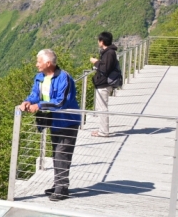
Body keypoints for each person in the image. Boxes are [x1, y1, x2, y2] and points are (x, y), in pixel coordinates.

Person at [18, 49, 81, 201]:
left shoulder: (64, 78)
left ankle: (62, 189)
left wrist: (38, 106)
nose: (36, 64)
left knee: (62, 153)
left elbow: (60, 101)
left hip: (67, 121)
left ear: (48, 63)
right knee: (56, 152)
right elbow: (35, 94)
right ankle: (58, 184)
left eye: (38, 62)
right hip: (54, 121)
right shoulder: (40, 77)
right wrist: (28, 101)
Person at [90, 32, 119, 137]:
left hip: (104, 84)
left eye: (99, 40)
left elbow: (105, 68)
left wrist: (95, 62)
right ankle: (102, 130)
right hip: (103, 83)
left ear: (102, 41)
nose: (98, 42)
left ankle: (104, 132)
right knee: (101, 107)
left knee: (102, 108)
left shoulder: (109, 53)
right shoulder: (108, 52)